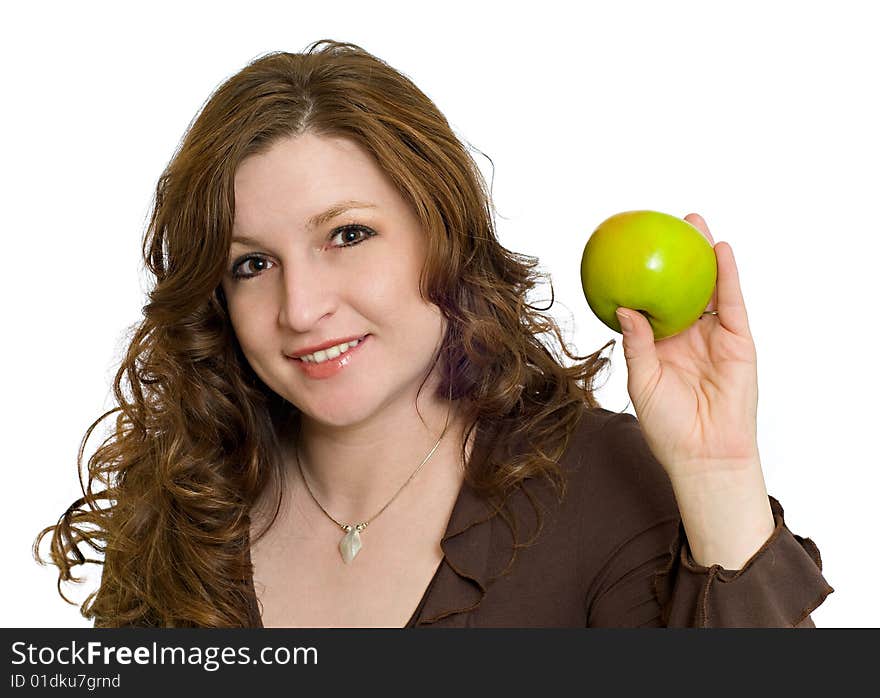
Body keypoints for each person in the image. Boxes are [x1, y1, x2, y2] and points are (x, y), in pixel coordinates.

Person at [34, 39, 833, 628]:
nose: (301, 308)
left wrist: (719, 474)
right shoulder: (189, 501)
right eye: (251, 265)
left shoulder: (604, 488)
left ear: (440, 233)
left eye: (347, 235)